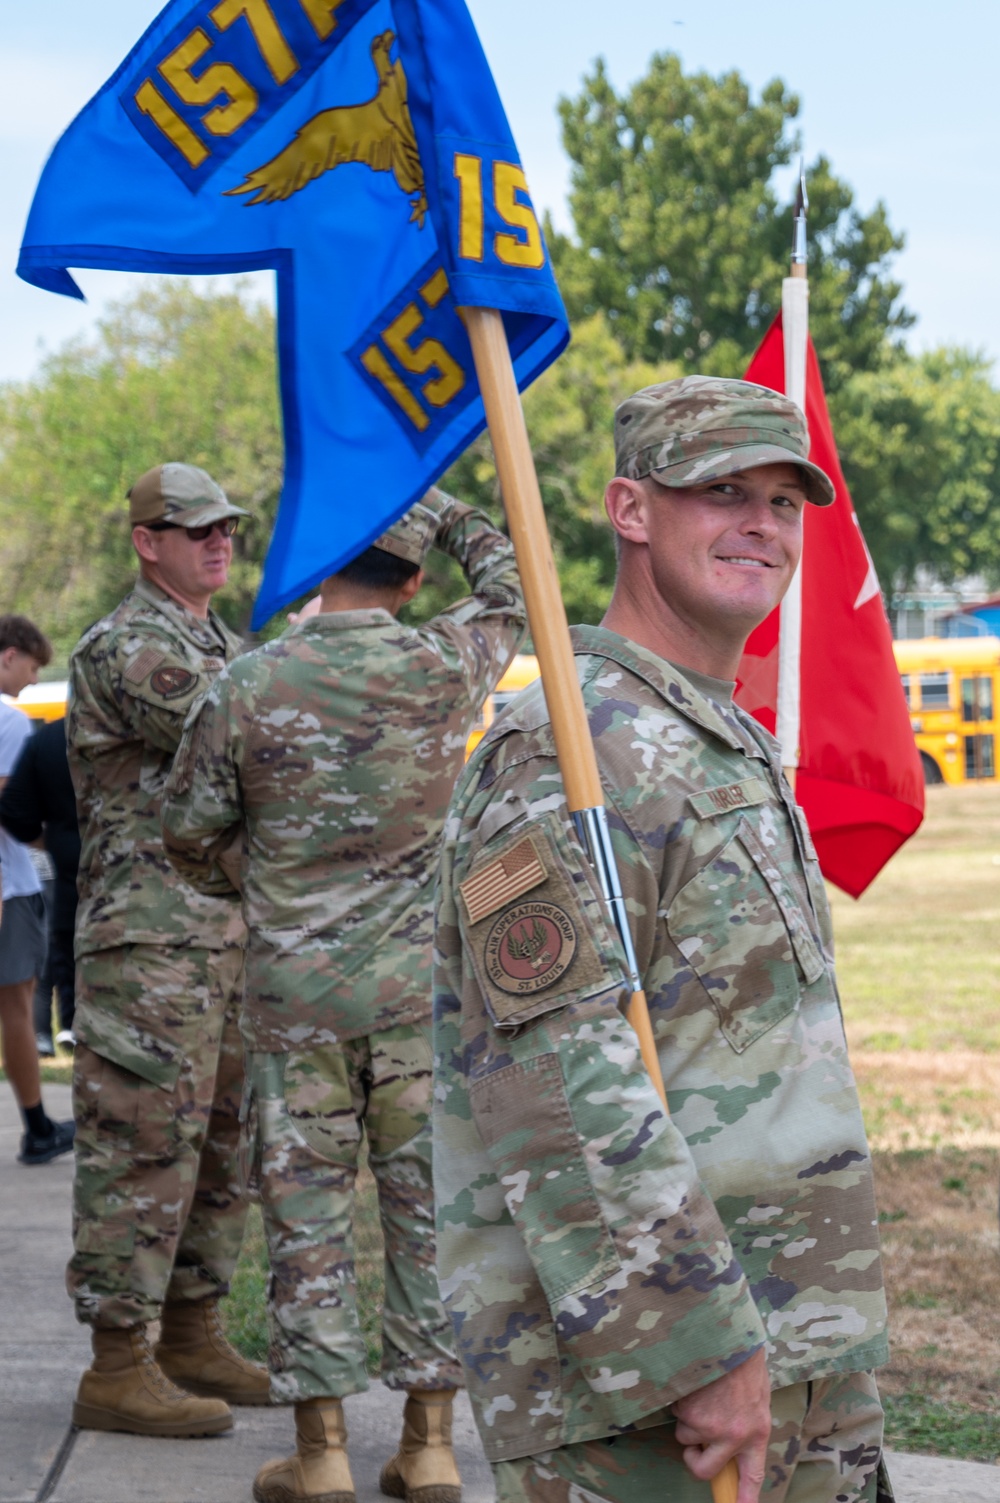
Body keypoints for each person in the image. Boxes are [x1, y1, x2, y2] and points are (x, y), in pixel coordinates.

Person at [433, 378, 893, 1503]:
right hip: (651, 1398)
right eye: (721, 492)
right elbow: (556, 1081)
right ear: (629, 510)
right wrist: (697, 1353)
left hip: (793, 1355)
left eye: (786, 503)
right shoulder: (565, 757)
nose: (762, 526)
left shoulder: (712, 732)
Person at [161, 489, 526, 1503]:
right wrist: (443, 503)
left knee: (307, 1222)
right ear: (412, 580)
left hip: (293, 998)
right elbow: (511, 585)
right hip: (419, 995)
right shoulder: (444, 663)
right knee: (426, 1216)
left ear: (322, 563)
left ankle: (320, 1456)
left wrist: (270, 889)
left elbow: (186, 832)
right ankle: (430, 1445)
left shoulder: (248, 680)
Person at [65, 463, 269, 1440]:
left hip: (222, 936)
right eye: (195, 530)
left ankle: (190, 1332)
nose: (217, 542)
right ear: (147, 541)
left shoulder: (222, 641)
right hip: (147, 940)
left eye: (225, 527)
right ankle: (117, 1362)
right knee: (142, 1148)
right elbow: (245, 734)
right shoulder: (128, 646)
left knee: (223, 1144)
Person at [0, 616, 75, 1165]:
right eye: (31, 665)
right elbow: (10, 806)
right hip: (9, 883)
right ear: (8, 656)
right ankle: (37, 1127)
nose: (31, 679)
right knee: (18, 1006)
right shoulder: (8, 721)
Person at [0, 716, 81, 1054]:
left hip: (62, 877)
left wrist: (53, 842)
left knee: (54, 959)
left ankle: (54, 1031)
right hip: (133, 883)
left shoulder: (46, 738)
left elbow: (14, 808)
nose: (33, 680)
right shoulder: (15, 722)